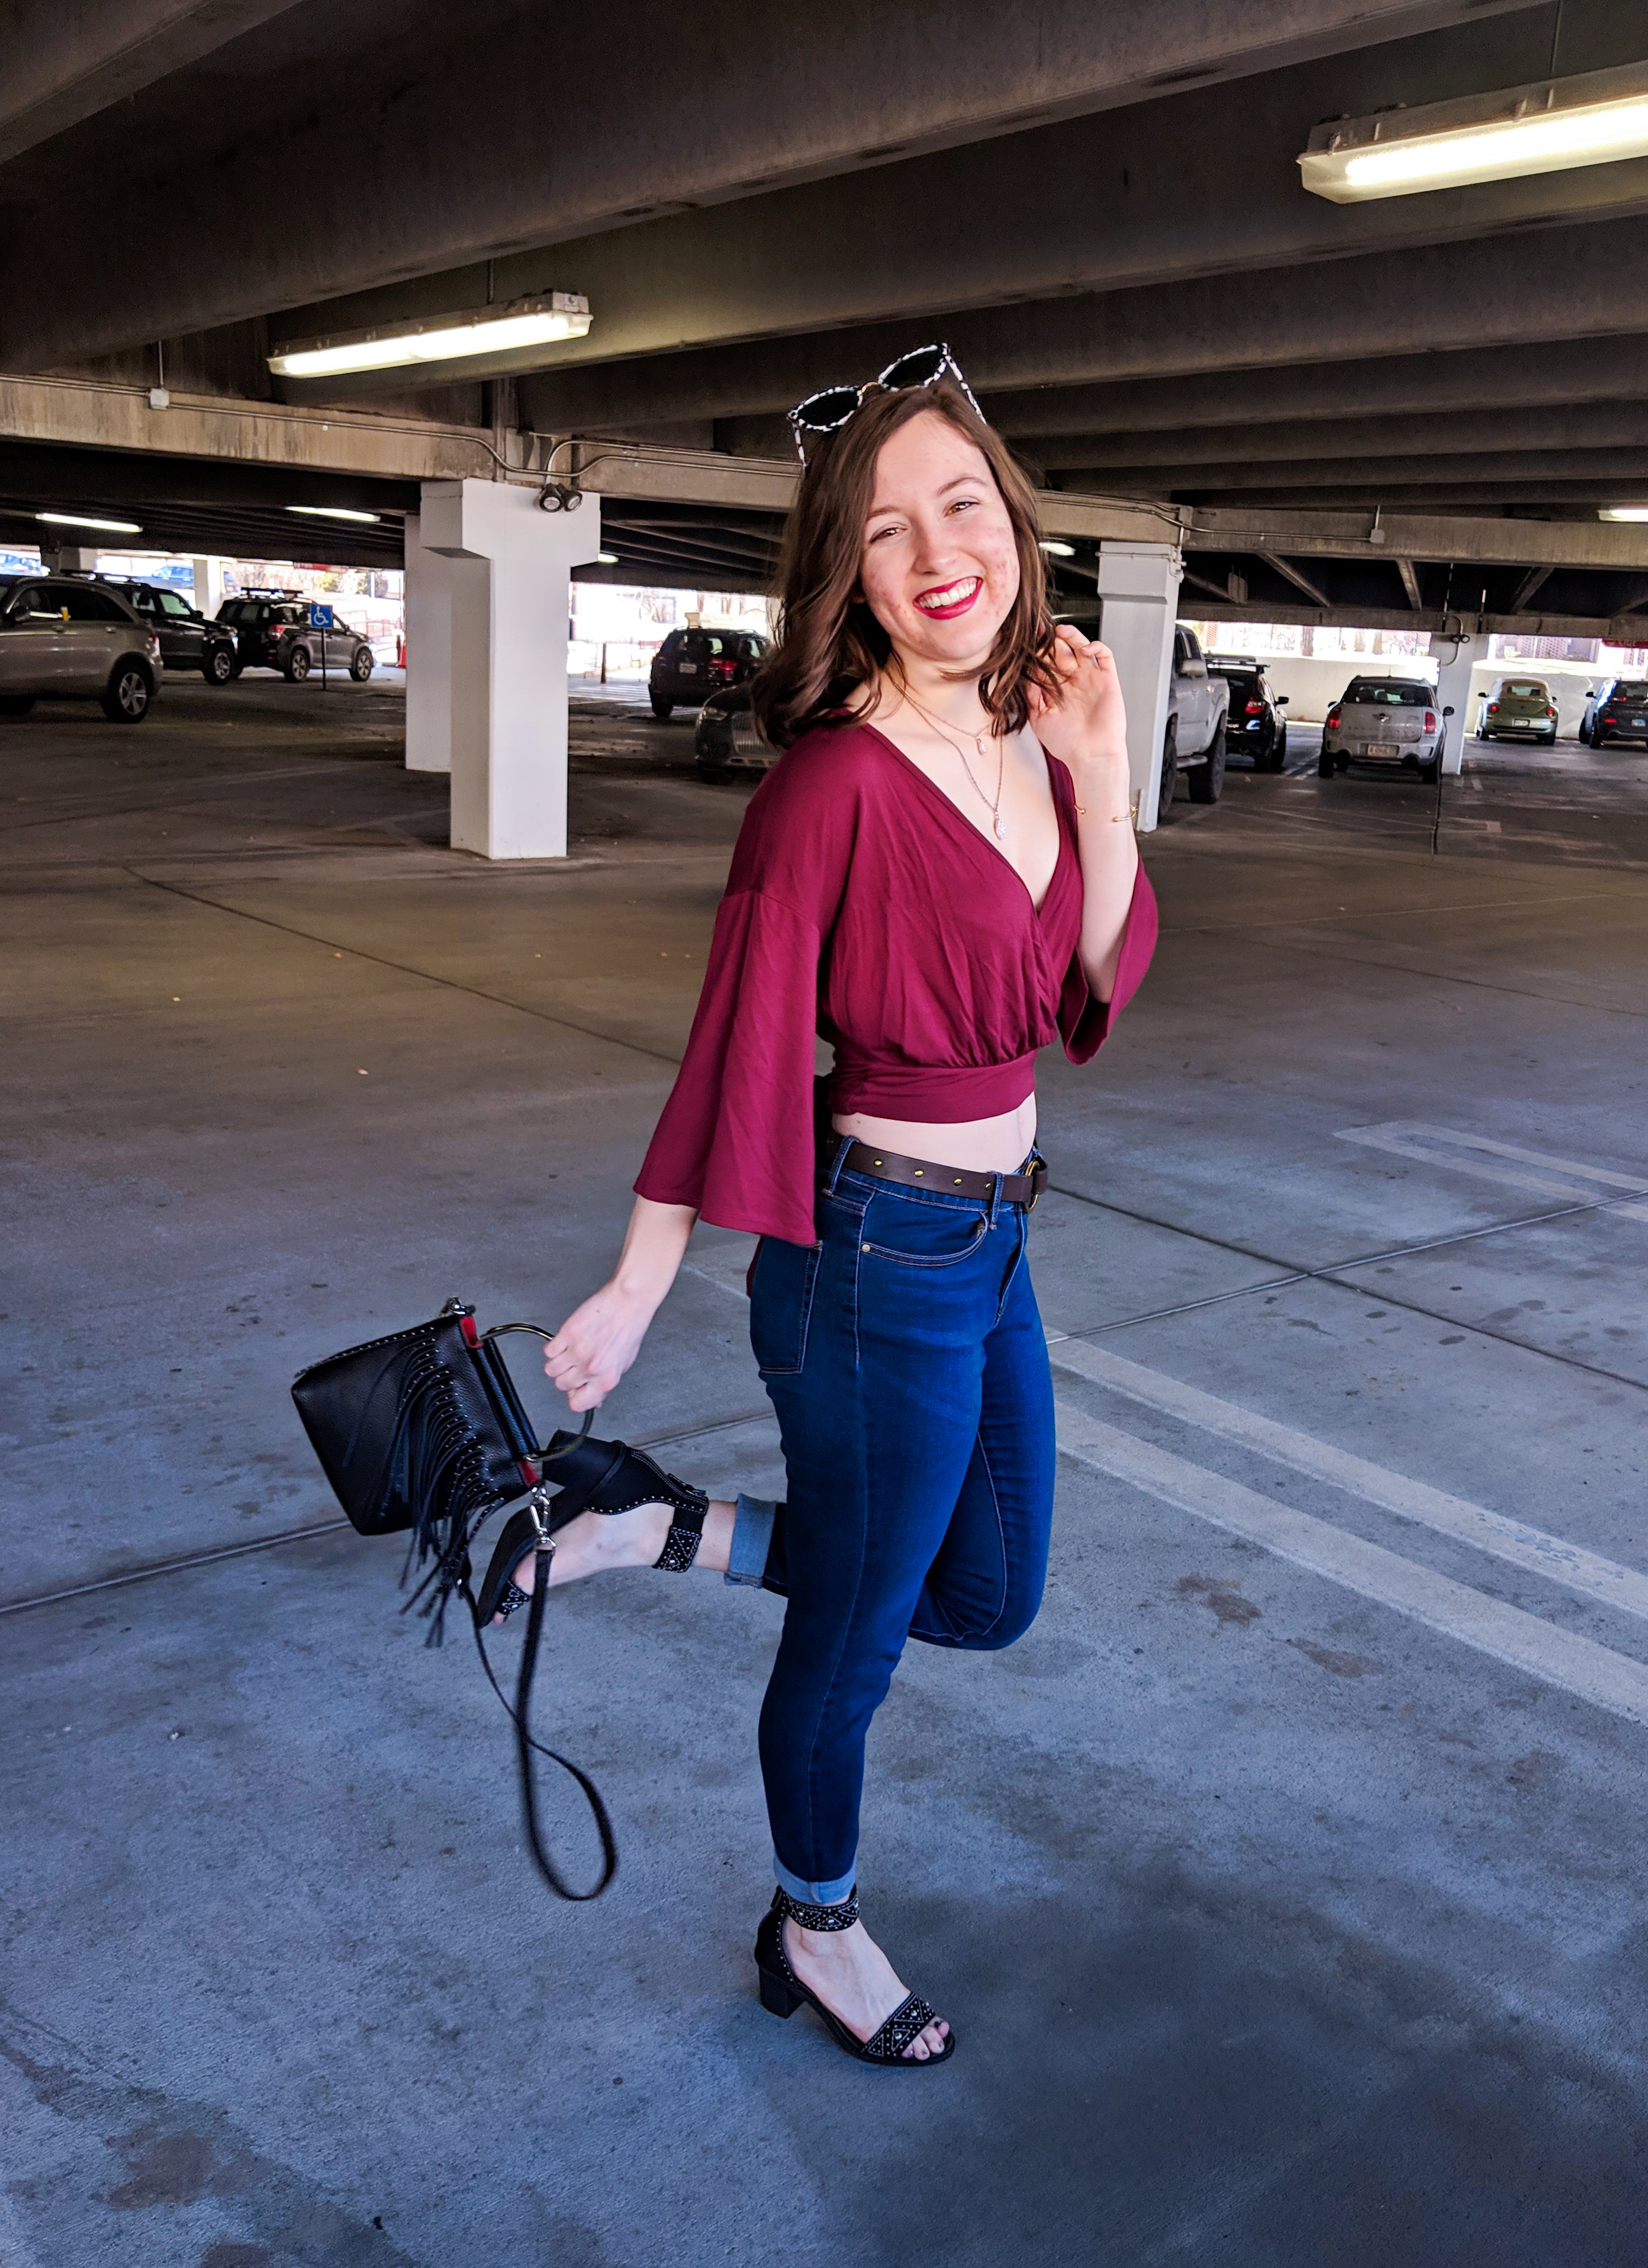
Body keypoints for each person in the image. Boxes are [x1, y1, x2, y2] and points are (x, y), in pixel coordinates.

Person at [487, 347, 1157, 2066]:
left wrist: (1102, 764)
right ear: (843, 576)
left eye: (961, 504)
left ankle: (663, 1528)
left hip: (997, 1237)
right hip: (875, 1256)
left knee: (989, 1592)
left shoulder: (1028, 726)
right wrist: (638, 1287)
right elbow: (735, 1047)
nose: (938, 552)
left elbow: (1098, 979)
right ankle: (818, 1923)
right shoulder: (832, 789)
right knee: (858, 1641)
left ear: (1011, 518)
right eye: (882, 533)